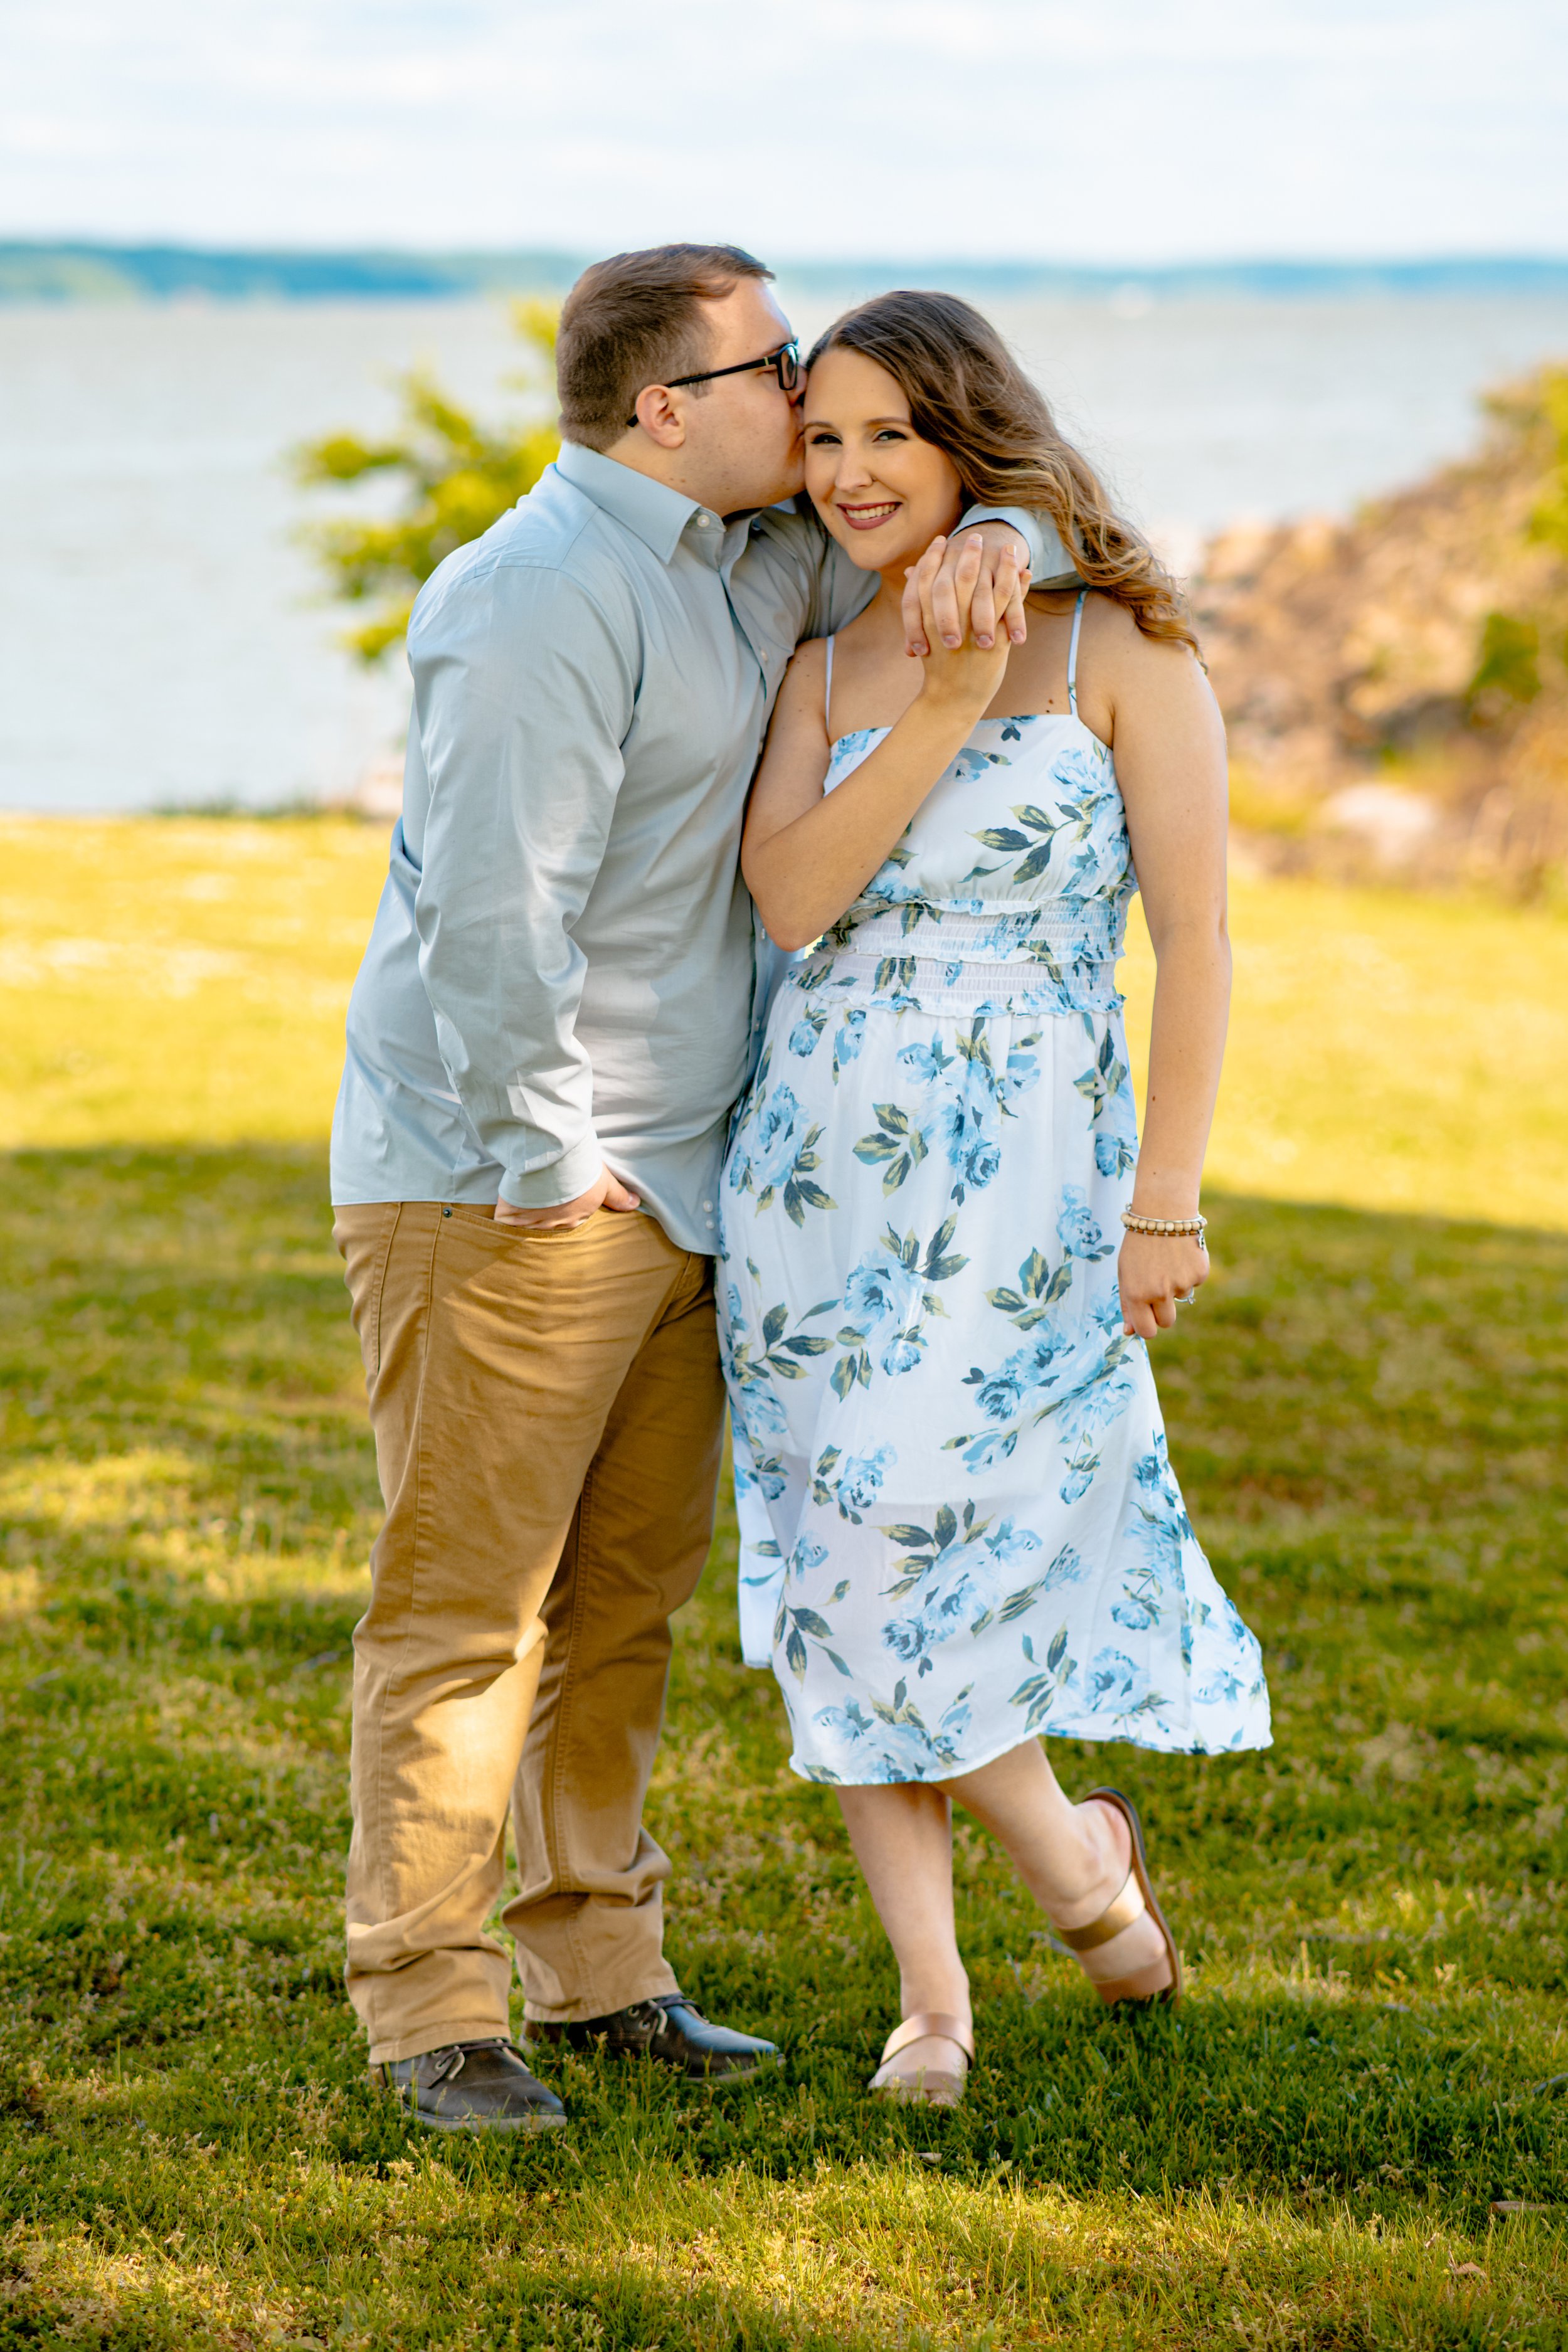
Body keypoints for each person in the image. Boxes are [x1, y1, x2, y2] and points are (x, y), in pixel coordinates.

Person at [328, 245, 1065, 2134]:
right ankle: (429, 2008)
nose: (809, 403)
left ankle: (598, 1970)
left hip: (692, 1174)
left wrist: (1003, 537)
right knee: (467, 1608)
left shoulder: (756, 556)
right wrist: (545, 1167)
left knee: (627, 1599)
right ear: (667, 407)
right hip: (514, 1182)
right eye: (776, 369)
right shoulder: (530, 601)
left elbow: (967, 504)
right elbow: (495, 922)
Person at [719, 290, 1272, 2110]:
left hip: (1026, 1182)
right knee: (841, 1557)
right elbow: (793, 906)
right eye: (823, 438)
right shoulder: (819, 666)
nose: (853, 472)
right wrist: (940, 695)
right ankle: (939, 1993)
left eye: (890, 434)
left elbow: (1191, 943)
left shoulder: (1118, 644)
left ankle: (1070, 1866)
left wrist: (1165, 1205)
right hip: (812, 1186)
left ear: (970, 438)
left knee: (916, 1538)